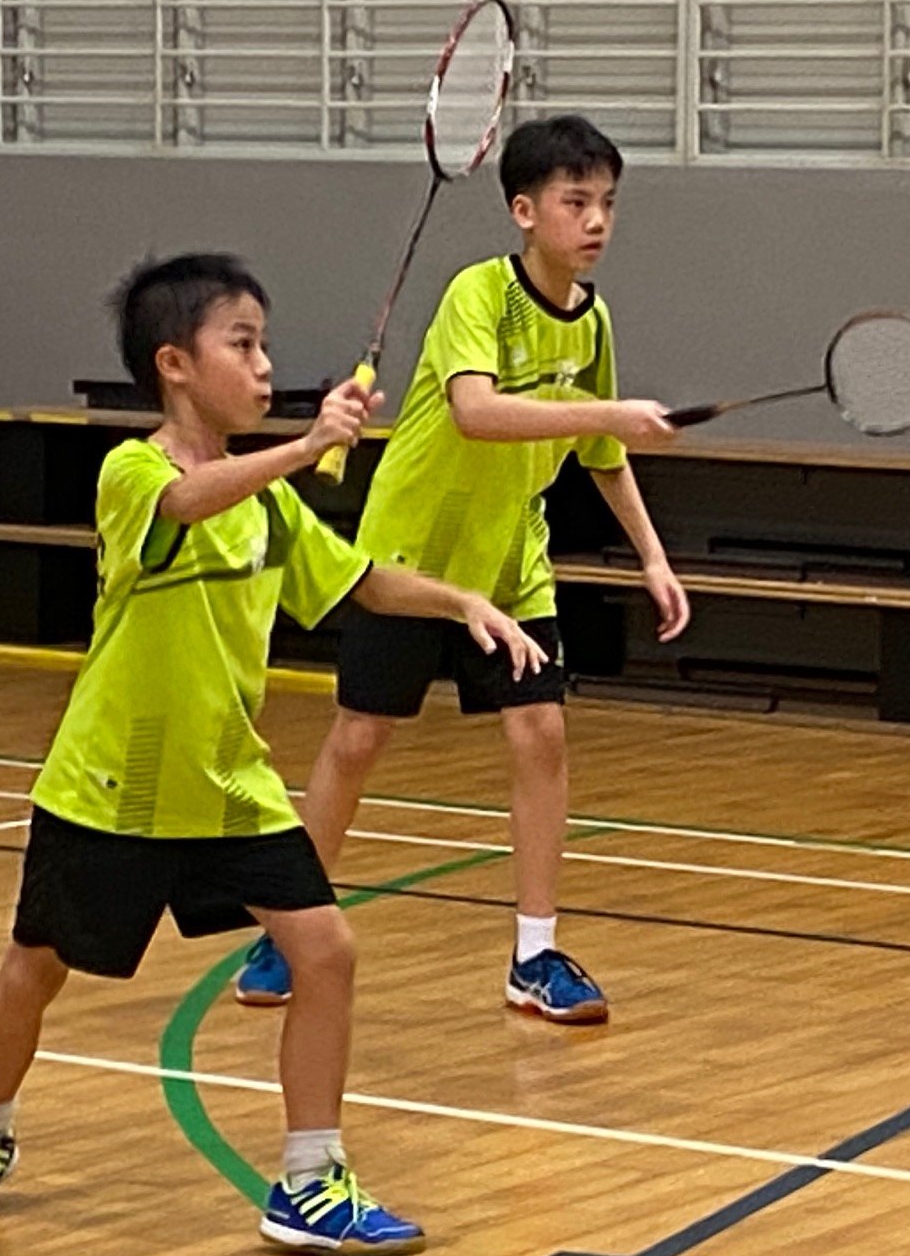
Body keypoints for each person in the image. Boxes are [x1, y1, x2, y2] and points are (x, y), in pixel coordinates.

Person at [0, 254, 545, 1254]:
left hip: (229, 783)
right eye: (241, 345)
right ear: (174, 363)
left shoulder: (262, 502)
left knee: (327, 952)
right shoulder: (136, 474)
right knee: (34, 969)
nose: (264, 367)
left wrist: (463, 601)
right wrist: (306, 444)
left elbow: (358, 583)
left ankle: (309, 1178)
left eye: (265, 345)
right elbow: (187, 502)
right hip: (114, 785)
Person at [236, 115, 691, 1024]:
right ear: (526, 212)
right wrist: (606, 411)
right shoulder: (477, 294)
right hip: (412, 552)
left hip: (512, 562)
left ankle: (535, 955)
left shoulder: (591, 319)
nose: (596, 220)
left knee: (541, 736)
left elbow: (603, 450)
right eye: (576, 202)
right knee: (360, 740)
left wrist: (652, 553)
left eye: (606, 203)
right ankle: (288, 925)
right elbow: (478, 412)